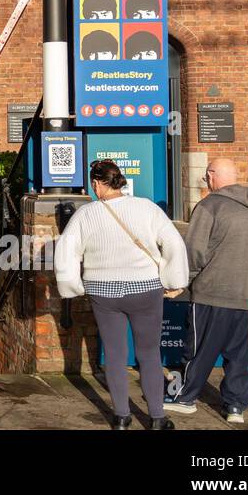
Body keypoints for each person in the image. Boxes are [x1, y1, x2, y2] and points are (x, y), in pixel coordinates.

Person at [55, 159, 190, 430]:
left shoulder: (85, 215)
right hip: (145, 289)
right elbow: (174, 242)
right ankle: (157, 418)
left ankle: (120, 416)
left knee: (115, 354)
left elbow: (66, 251)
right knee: (149, 353)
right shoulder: (146, 208)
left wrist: (72, 286)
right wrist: (175, 279)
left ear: (96, 183)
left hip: (103, 291)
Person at [164, 157, 248, 424]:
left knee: (200, 349)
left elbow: (194, 253)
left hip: (211, 293)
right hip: (246, 294)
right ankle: (236, 407)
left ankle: (187, 398)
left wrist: (182, 282)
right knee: (241, 355)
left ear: (212, 176)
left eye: (206, 177)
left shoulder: (209, 206)